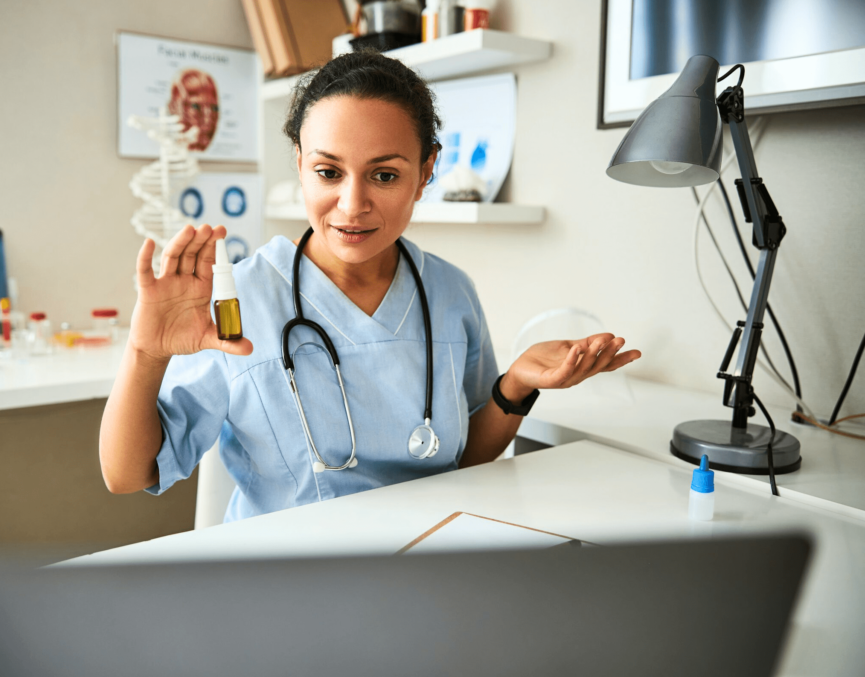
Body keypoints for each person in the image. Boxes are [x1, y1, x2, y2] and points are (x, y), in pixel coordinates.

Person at [100, 51, 641, 522]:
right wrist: (145, 352)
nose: (352, 205)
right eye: (328, 172)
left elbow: (462, 463)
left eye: (384, 175)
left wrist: (517, 383)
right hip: (291, 587)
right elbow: (127, 474)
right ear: (300, 164)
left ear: (426, 171)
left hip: (424, 568)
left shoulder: (451, 293)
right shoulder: (237, 298)